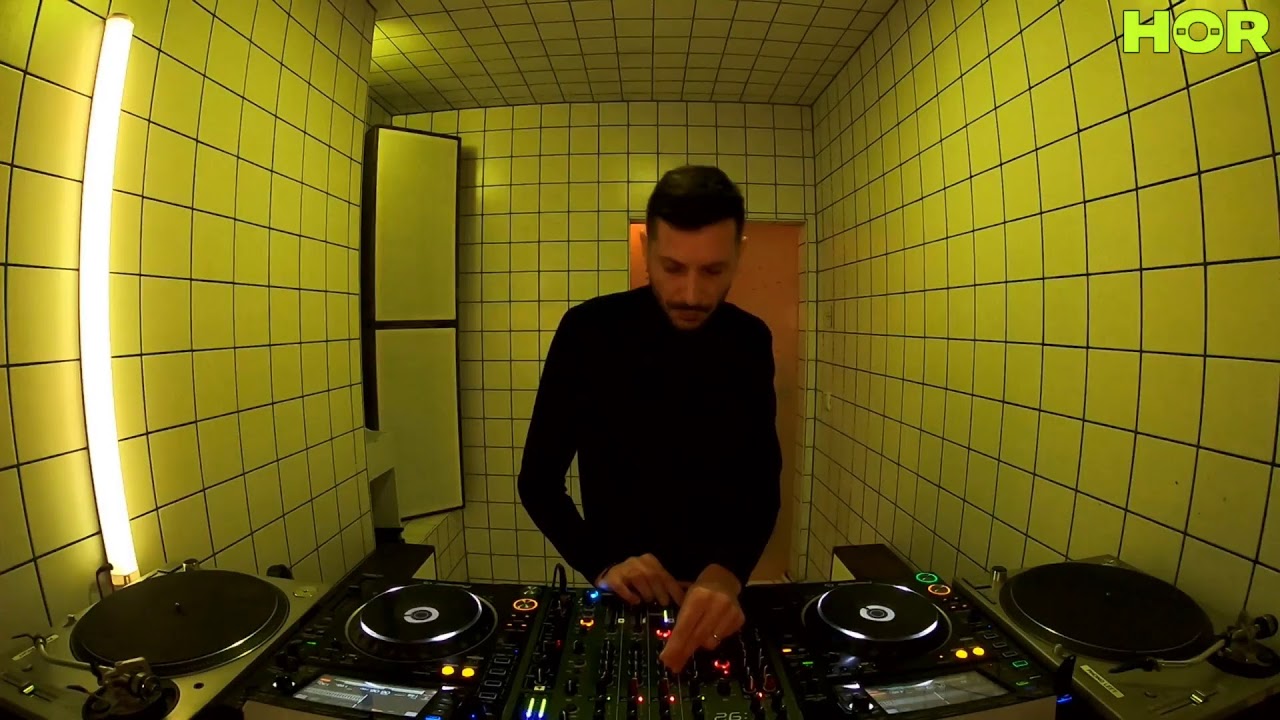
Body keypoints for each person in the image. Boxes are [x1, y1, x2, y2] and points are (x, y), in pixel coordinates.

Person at [516, 165, 782, 673]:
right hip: (622, 595)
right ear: (646, 250)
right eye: (672, 267)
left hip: (715, 598)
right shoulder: (588, 331)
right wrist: (601, 563)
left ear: (739, 255)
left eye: (713, 271)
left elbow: (762, 481)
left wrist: (729, 572)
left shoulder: (750, 340)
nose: (691, 294)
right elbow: (538, 482)